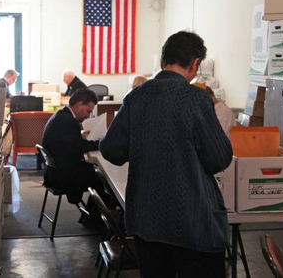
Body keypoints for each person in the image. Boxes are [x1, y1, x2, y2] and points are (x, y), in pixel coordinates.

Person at [99, 31, 233, 278]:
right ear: (195, 64)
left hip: (146, 221)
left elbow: (111, 150)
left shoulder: (135, 97)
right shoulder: (195, 99)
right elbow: (219, 158)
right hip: (192, 221)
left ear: (162, 62)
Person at [42, 88, 105, 207]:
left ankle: (91, 217)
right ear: (79, 104)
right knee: (102, 177)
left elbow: (67, 142)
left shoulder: (61, 116)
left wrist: (79, 135)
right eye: (88, 111)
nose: (87, 116)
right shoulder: (68, 121)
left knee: (97, 172)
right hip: (63, 176)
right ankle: (95, 219)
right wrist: (102, 143)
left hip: (55, 171)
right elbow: (79, 147)